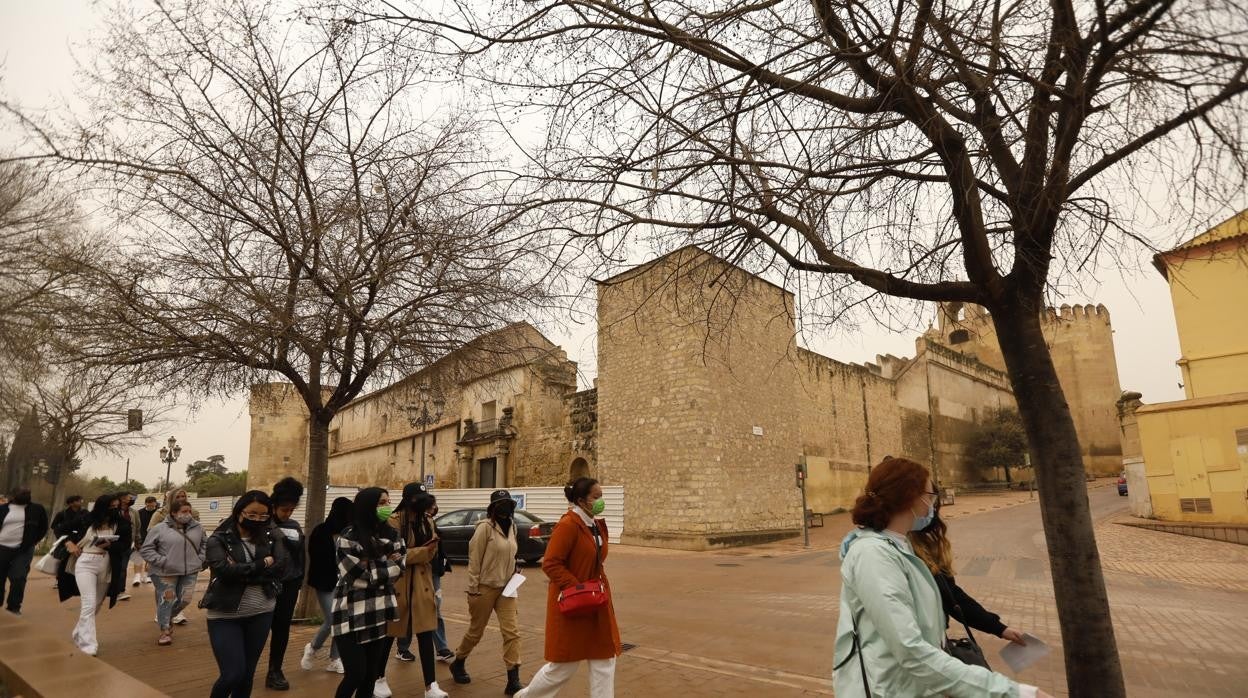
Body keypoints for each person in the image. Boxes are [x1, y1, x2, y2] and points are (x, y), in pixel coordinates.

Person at [833, 456, 1053, 698]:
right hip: (889, 690)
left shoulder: (899, 546)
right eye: (929, 495)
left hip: (915, 686)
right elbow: (910, 650)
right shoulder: (873, 555)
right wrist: (1011, 692)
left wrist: (997, 628)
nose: (932, 504)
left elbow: (942, 605)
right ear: (910, 497)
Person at [518, 478, 620, 698]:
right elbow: (551, 563)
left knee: (604, 658)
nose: (601, 501)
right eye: (596, 497)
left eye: (601, 496)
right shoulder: (568, 525)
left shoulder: (594, 524)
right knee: (564, 665)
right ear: (581, 500)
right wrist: (578, 588)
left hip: (596, 601)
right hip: (574, 602)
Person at [202, 490, 289, 698]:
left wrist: (244, 569)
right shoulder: (219, 539)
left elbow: (281, 567)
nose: (257, 520)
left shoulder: (271, 537)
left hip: (261, 611)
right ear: (239, 512)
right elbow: (224, 572)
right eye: (252, 515)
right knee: (233, 673)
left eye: (263, 516)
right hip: (225, 615)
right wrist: (262, 564)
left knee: (247, 674)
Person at [909, 498, 1030, 648]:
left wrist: (999, 628)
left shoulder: (926, 545)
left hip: (934, 641)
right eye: (929, 501)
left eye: (935, 504)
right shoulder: (891, 550)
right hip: (919, 648)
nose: (932, 511)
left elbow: (953, 597)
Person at [331, 487, 406, 698]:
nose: (387, 507)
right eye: (381, 503)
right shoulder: (348, 537)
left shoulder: (392, 534)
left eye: (388, 502)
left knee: (370, 677)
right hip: (350, 614)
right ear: (367, 506)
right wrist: (385, 564)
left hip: (379, 612)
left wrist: (370, 565)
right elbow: (353, 576)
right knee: (355, 674)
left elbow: (400, 568)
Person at [450, 489, 524, 695]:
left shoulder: (513, 528)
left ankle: (513, 678)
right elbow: (474, 560)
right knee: (476, 631)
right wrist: (473, 589)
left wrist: (514, 570)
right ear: (492, 507)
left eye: (508, 503)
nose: (505, 507)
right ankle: (459, 661)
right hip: (484, 587)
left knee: (512, 632)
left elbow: (512, 553)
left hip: (507, 588)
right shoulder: (484, 528)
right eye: (500, 504)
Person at [386, 483, 449, 698]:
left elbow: (432, 552)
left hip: (422, 584)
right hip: (399, 584)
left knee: (425, 631)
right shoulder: (393, 522)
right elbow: (394, 556)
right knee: (390, 632)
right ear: (408, 499)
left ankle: (430, 685)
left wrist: (415, 554)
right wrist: (421, 552)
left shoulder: (427, 520)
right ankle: (378, 678)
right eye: (418, 498)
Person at [60, 493, 127, 655]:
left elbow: (125, 545)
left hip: (106, 564)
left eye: (116, 507)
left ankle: (78, 633)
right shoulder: (86, 518)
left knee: (96, 605)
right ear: (101, 506)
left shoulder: (122, 523)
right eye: (110, 507)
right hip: (85, 562)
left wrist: (110, 545)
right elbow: (61, 529)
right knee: (89, 603)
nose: (114, 510)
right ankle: (89, 646)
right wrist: (69, 542)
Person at [140, 498, 207, 646]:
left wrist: (200, 558)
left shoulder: (198, 528)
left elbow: (205, 544)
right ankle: (164, 630)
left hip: (190, 569)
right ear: (174, 513)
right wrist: (162, 561)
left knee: (185, 599)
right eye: (184, 512)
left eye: (189, 511)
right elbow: (146, 549)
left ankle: (166, 617)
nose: (188, 514)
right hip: (164, 572)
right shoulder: (159, 528)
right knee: (167, 599)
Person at [302, 496, 353, 675]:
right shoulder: (321, 531)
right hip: (325, 582)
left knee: (342, 620)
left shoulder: (349, 532)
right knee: (333, 619)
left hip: (345, 583)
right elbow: (317, 559)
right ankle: (313, 647)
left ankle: (334, 659)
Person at [265, 477, 306, 691]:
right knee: (259, 629)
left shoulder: (294, 526)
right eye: (284, 509)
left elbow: (300, 554)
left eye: (291, 510)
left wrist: (299, 579)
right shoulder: (261, 524)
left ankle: (275, 670)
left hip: (289, 585)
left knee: (281, 630)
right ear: (273, 506)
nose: (288, 513)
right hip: (263, 586)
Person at [0, 487, 50, 616]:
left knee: (18, 577)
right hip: (2, 548)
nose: (25, 496)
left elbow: (43, 527)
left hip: (23, 550)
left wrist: (33, 541)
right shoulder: (3, 509)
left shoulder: (37, 509)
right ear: (13, 495)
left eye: (27, 494)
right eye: (22, 494)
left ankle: (14, 606)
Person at [152, 488, 200, 624]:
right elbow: (151, 533)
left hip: (186, 556)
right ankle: (161, 611)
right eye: (178, 496)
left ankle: (175, 611)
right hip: (164, 556)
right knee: (164, 588)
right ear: (171, 498)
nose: (181, 498)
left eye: (183, 496)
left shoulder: (193, 513)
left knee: (183, 589)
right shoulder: (160, 514)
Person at [429, 497, 455, 663]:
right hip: (418, 573)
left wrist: (442, 564)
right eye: (431, 504)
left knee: (435, 609)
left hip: (434, 572)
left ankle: (441, 648)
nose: (434, 507)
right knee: (409, 613)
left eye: (434, 504)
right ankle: (402, 647)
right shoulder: (411, 523)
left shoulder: (432, 522)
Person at [133, 495, 160, 586]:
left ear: (155, 504)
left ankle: (147, 575)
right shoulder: (139, 512)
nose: (151, 507)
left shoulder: (158, 512)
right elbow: (136, 526)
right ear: (146, 504)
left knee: (150, 558)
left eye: (153, 505)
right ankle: (137, 576)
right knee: (138, 556)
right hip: (141, 537)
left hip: (154, 537)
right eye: (149, 505)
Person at [114, 492, 135, 601]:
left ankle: (120, 591)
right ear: (121, 499)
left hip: (127, 544)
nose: (131, 499)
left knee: (123, 568)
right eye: (128, 497)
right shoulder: (114, 511)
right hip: (113, 544)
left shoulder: (133, 512)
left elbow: (137, 527)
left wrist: (137, 541)